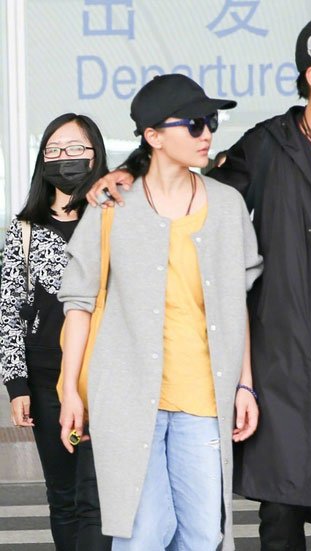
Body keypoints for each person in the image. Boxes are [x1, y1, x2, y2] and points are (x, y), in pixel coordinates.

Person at [86, 11, 311, 551]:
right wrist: (134, 170)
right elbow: (189, 188)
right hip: (287, 376)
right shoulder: (266, 149)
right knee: (281, 518)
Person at [58, 74, 263, 550]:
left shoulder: (227, 206)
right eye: (194, 124)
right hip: (127, 398)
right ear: (153, 136)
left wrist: (245, 384)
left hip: (203, 399)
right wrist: (70, 391)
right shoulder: (112, 205)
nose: (207, 133)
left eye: (211, 122)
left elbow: (236, 304)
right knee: (145, 533)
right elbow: (79, 303)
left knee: (201, 536)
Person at [0, 113, 112, 550]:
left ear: (95, 154)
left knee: (99, 496)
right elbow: (8, 310)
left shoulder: (114, 218)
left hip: (107, 376)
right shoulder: (24, 230)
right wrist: (17, 386)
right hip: (47, 380)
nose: (65, 158)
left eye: (75, 148)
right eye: (54, 150)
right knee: (64, 495)